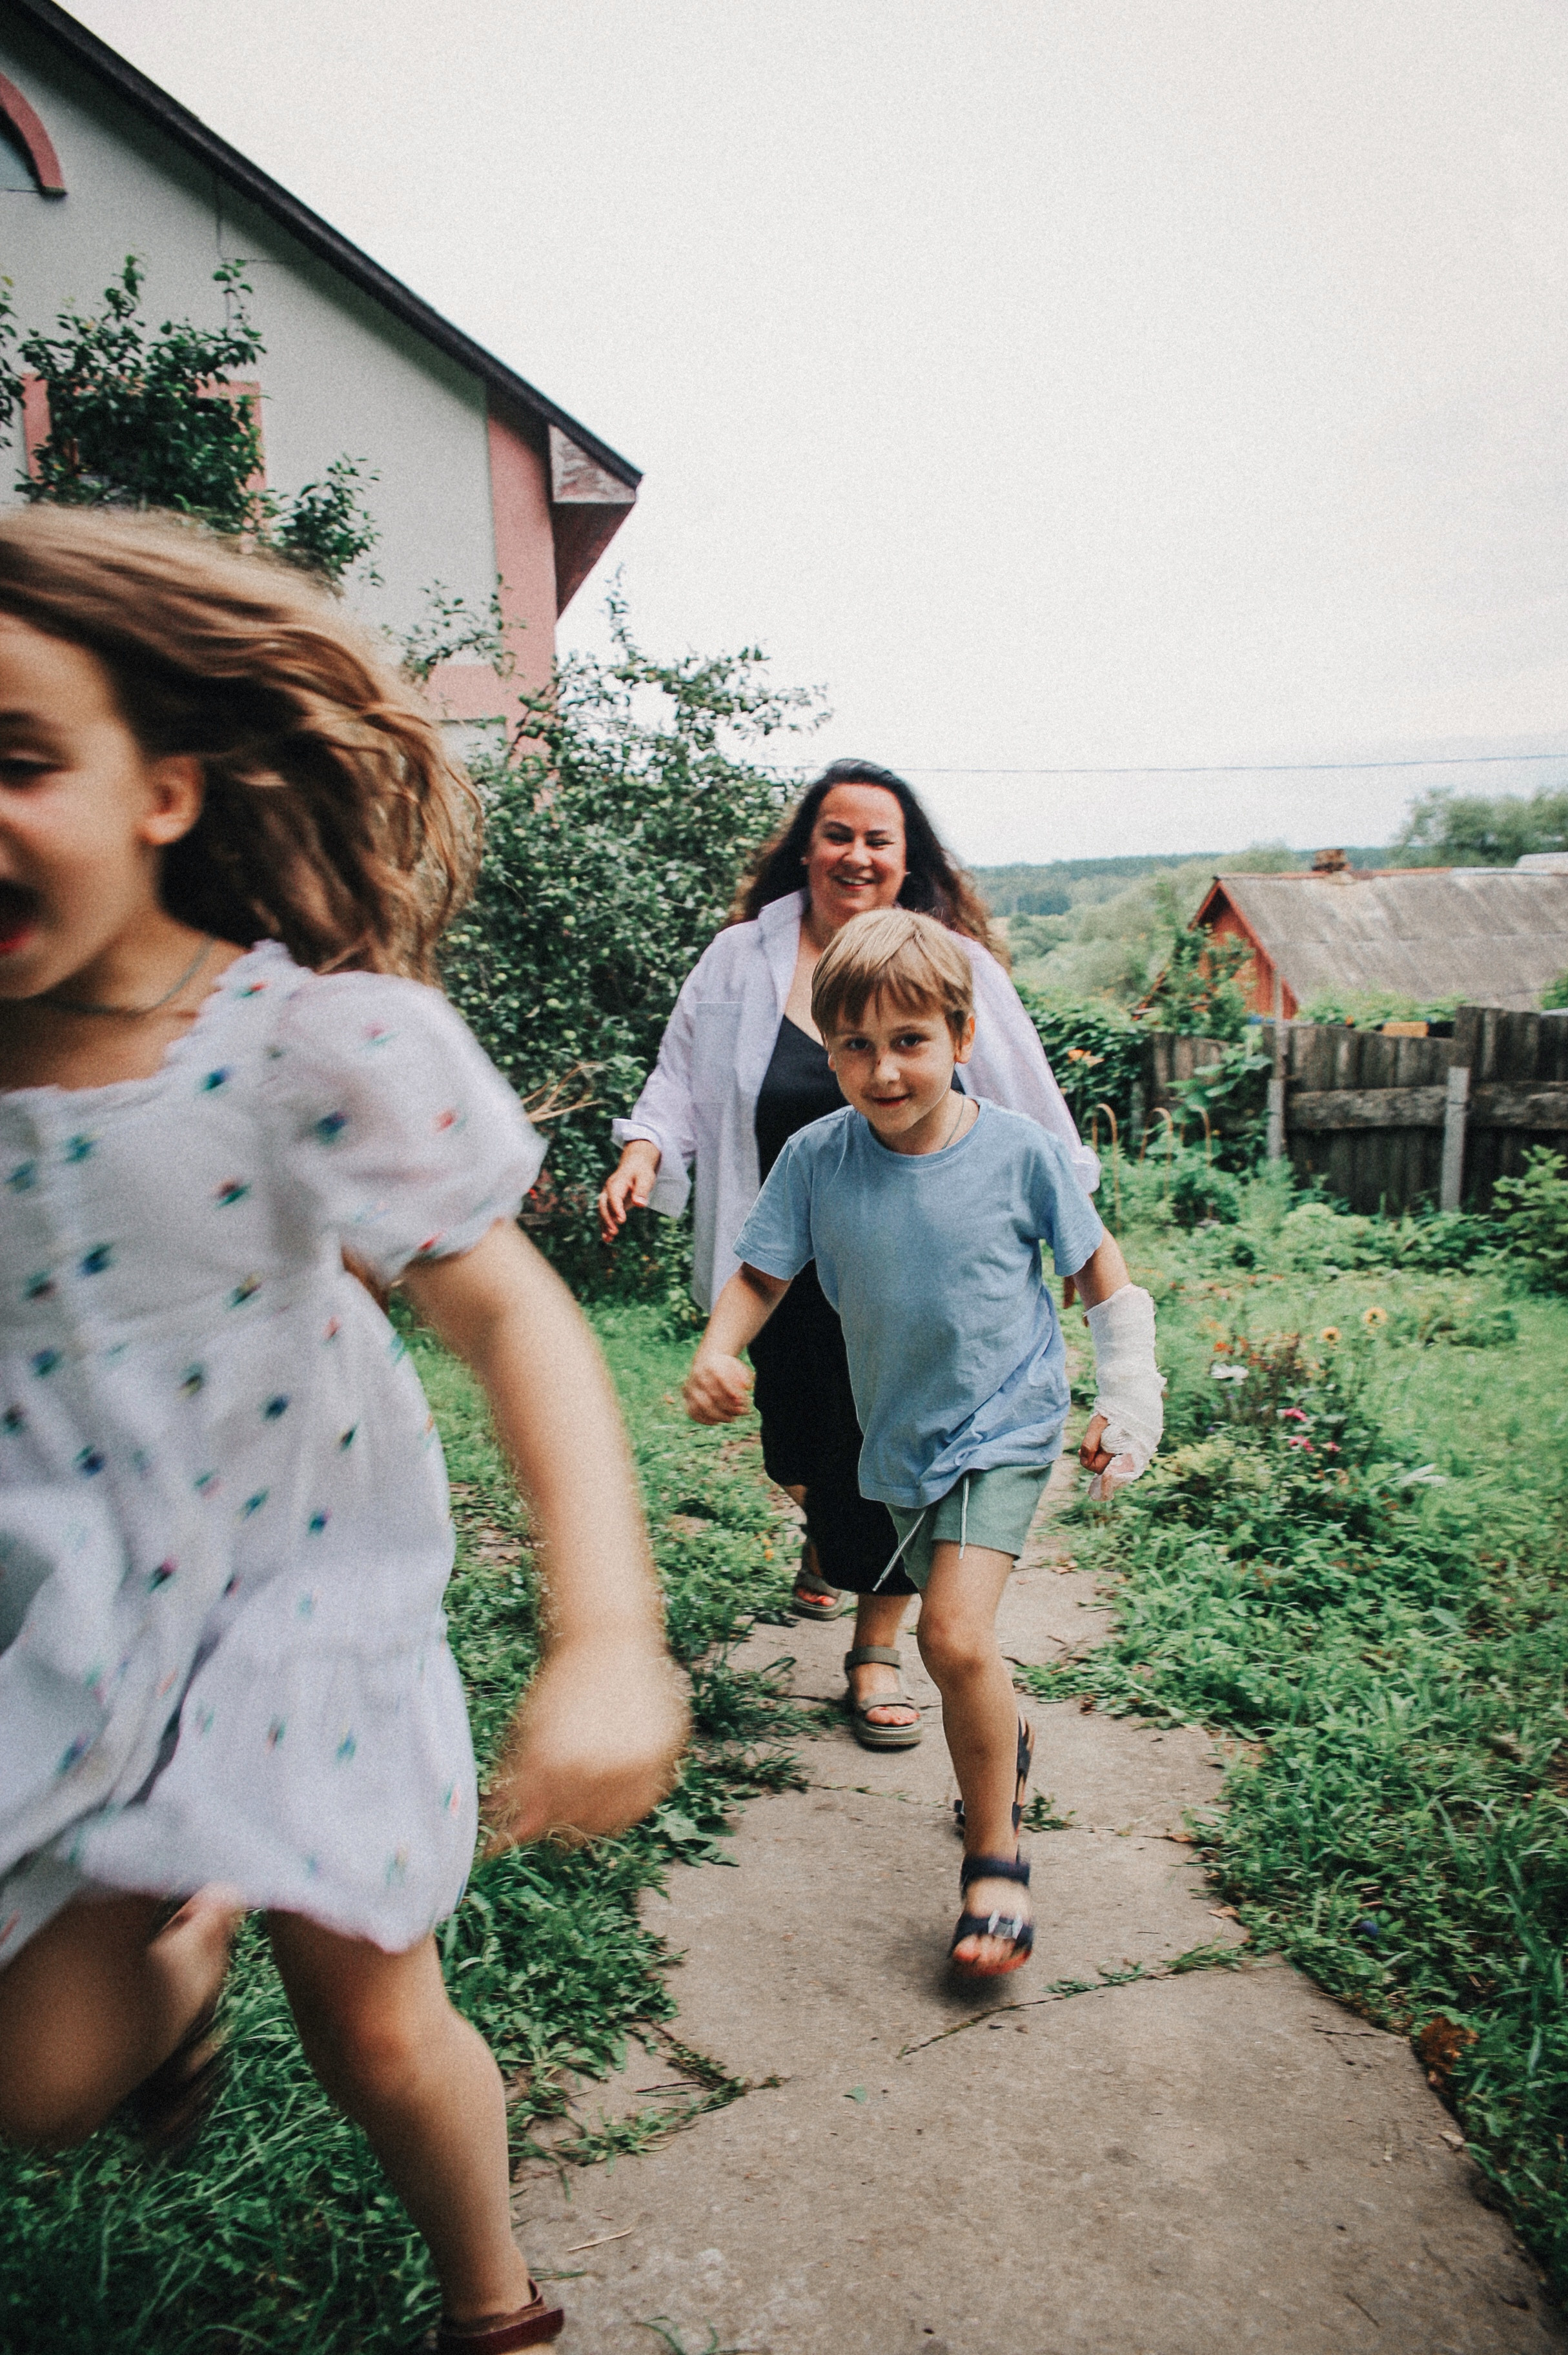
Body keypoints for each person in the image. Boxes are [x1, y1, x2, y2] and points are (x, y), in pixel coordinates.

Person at [0, 507, 687, 2355]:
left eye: (15, 759)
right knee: (41, 2080)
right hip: (70, 1618)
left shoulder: (299, 1043)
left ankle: (497, 2303)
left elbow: (510, 1312)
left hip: (303, 1603)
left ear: (162, 792)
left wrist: (610, 1633)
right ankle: (194, 1920)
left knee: (376, 2027)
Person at [682, 910, 1163, 1975]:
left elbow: (1099, 1273)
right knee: (967, 1656)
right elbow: (763, 1272)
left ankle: (997, 1861)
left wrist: (1129, 1394)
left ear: (961, 1033)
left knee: (948, 1636)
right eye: (854, 1044)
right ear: (828, 1047)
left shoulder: (1021, 1153)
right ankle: (1006, 1740)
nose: (883, 1068)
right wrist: (722, 1349)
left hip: (1009, 1422)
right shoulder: (817, 1158)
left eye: (909, 1041)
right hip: (897, 1431)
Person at [598, 759, 1095, 1751]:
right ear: (807, 846)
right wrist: (646, 1147)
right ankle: (834, 1539)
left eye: (879, 839)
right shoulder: (742, 958)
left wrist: (1067, 1227)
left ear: (907, 860)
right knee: (806, 1457)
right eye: (838, 833)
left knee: (894, 1458)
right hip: (786, 1260)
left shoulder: (952, 966)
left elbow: (1027, 1102)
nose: (856, 855)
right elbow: (680, 1073)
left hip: (914, 1270)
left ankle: (876, 1649)